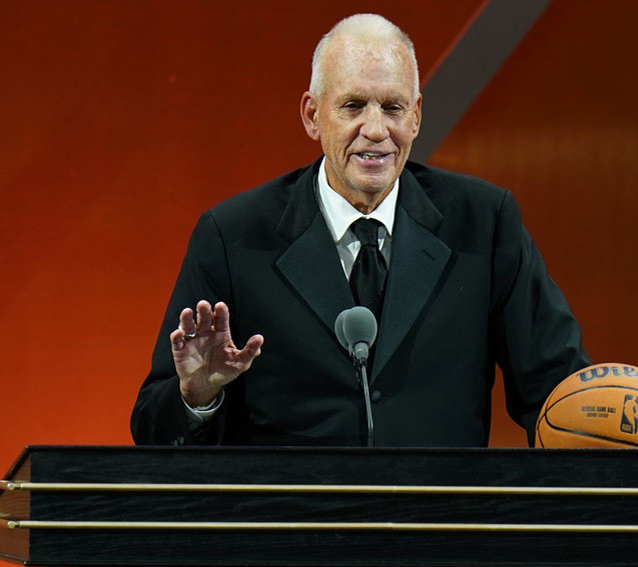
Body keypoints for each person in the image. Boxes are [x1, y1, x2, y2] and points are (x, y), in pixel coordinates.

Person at [131, 13, 588, 447]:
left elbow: (558, 388)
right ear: (313, 115)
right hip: (291, 519)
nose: (375, 130)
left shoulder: (484, 223)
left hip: (440, 518)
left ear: (416, 116)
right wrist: (198, 398)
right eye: (353, 106)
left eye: (392, 107)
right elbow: (154, 427)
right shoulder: (233, 236)